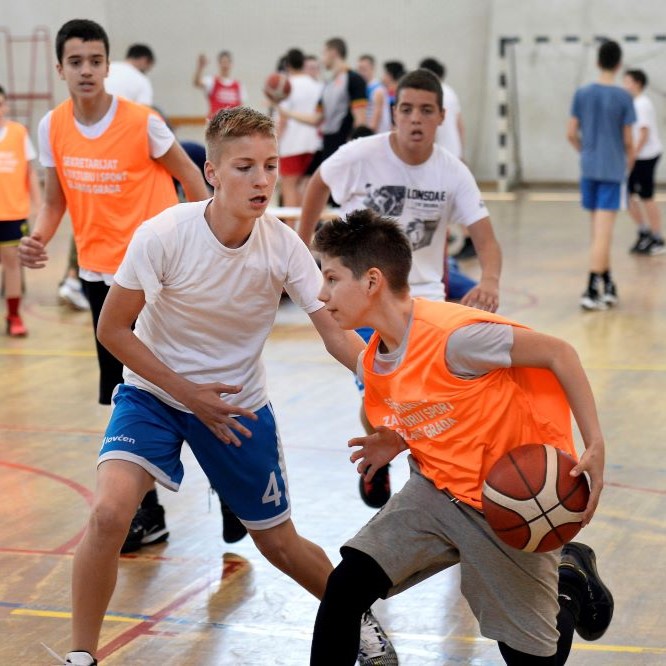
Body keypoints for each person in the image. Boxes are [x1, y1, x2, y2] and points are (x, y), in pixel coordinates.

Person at [44, 106, 396, 666]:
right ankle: (81, 655)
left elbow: (336, 334)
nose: (262, 180)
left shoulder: (284, 247)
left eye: (271, 166)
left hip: (236, 407)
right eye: (244, 167)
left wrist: (391, 389)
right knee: (110, 513)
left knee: (278, 543)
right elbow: (112, 329)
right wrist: (188, 394)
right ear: (211, 172)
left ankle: (359, 619)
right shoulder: (163, 235)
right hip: (155, 395)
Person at [309, 209, 613, 665]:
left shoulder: (458, 339)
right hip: (435, 492)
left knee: (533, 660)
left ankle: (568, 583)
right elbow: (442, 403)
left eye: (331, 278)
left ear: (372, 281)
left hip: (510, 502)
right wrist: (400, 437)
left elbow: (560, 353)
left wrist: (595, 443)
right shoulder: (379, 355)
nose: (322, 293)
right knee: (345, 588)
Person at [18, 19, 209, 555]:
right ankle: (149, 513)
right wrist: (39, 238)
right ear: (61, 68)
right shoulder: (52, 126)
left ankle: (225, 481)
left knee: (183, 383)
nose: (86, 70)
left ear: (108, 65)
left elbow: (193, 180)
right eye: (76, 61)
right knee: (129, 395)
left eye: (95, 61)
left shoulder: (143, 123)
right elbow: (54, 200)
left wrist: (203, 249)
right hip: (102, 279)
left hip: (159, 278)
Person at [299, 68, 501, 507]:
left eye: (426, 111)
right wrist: (304, 245)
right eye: (406, 109)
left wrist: (490, 280)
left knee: (429, 397)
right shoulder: (360, 155)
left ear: (441, 117)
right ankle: (384, 456)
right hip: (365, 301)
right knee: (382, 396)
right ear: (394, 113)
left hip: (424, 299)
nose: (415, 119)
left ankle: (438, 481)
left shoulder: (452, 172)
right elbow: (318, 182)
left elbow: (486, 240)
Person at [567, 39, 635, 311]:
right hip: (612, 170)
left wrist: (585, 151)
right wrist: (628, 163)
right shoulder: (623, 97)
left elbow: (571, 133)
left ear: (597, 62)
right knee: (603, 233)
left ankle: (607, 282)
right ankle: (592, 287)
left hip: (589, 169)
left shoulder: (582, 93)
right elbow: (628, 140)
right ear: (619, 65)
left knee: (598, 232)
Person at [279, 37, 368, 173]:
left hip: (344, 147)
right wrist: (286, 112)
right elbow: (316, 119)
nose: (322, 58)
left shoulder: (354, 79)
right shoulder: (328, 85)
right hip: (327, 147)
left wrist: (355, 150)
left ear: (333, 52)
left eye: (324, 53)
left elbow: (360, 121)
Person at [0, 84, 41, 336]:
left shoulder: (18, 133)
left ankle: (14, 316)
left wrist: (39, 205)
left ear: (5, 106)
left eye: (0, 104)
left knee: (13, 265)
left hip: (13, 213)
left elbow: (30, 171)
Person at [623, 68, 665, 255]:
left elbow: (643, 133)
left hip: (646, 156)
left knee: (646, 196)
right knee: (626, 195)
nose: (625, 85)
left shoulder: (642, 104)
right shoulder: (633, 103)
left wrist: (632, 156)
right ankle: (644, 232)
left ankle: (657, 238)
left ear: (638, 83)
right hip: (636, 156)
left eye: (628, 82)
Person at [276, 48, 323, 209]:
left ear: (287, 65)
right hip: (314, 143)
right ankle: (305, 223)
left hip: (292, 143)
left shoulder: (287, 85)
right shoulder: (317, 85)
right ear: (303, 64)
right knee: (304, 186)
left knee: (289, 186)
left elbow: (283, 118)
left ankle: (291, 224)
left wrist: (275, 141)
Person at [193, 50, 246, 119]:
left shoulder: (238, 85)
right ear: (219, 64)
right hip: (215, 122)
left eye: (227, 62)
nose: (225, 65)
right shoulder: (212, 81)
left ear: (231, 64)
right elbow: (196, 83)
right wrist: (200, 67)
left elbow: (241, 107)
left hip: (231, 123)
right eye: (223, 62)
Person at [357, 54, 392, 134]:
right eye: (359, 69)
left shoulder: (378, 90)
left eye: (364, 69)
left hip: (377, 133)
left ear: (372, 68)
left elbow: (377, 115)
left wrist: (368, 134)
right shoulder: (364, 87)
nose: (361, 73)